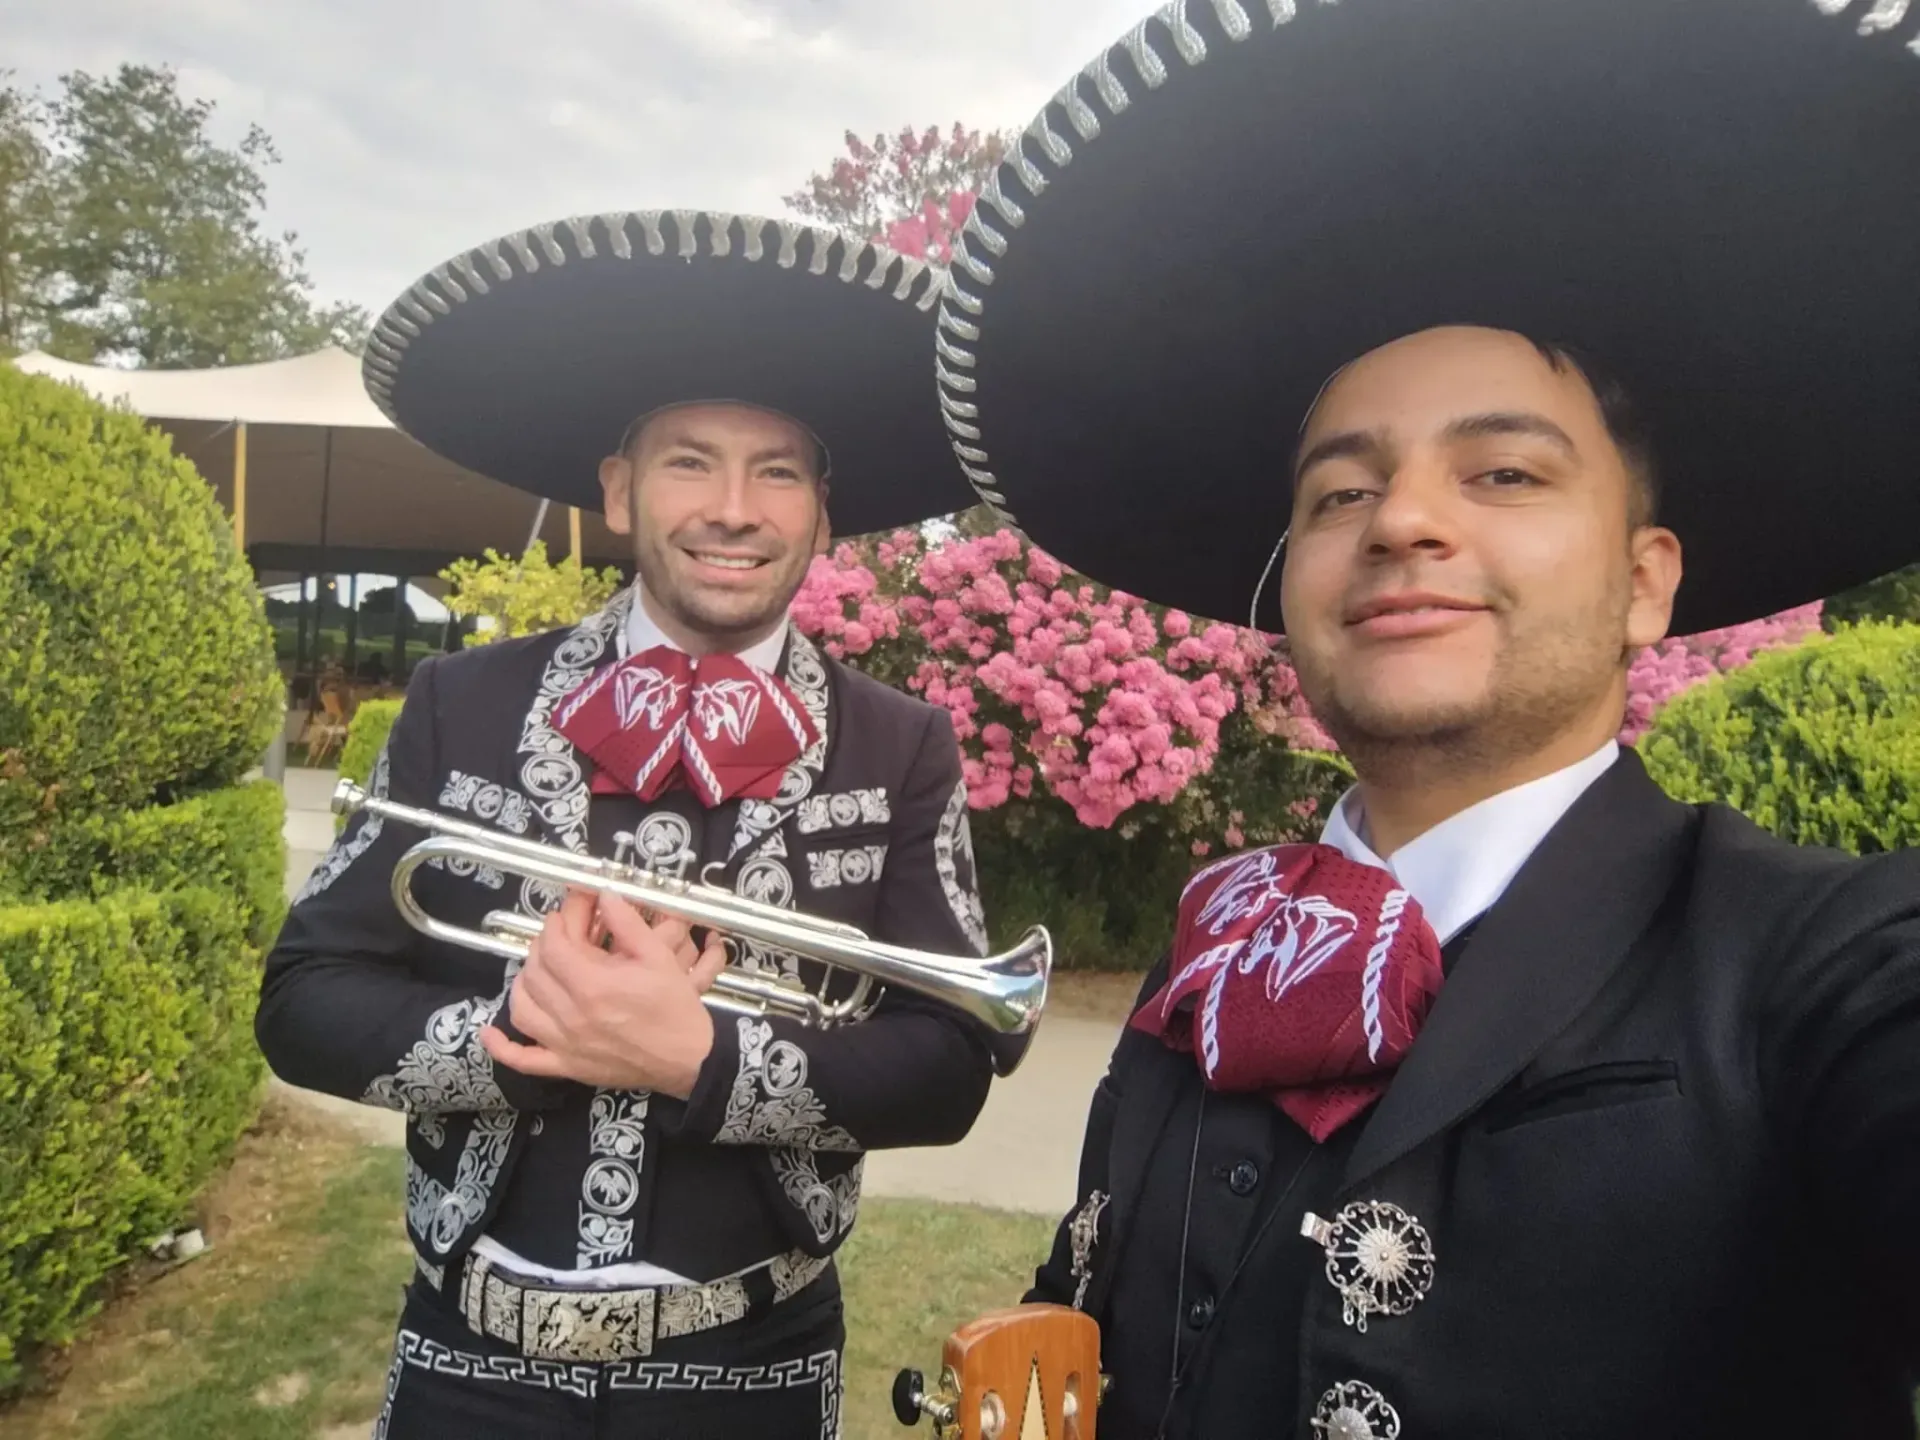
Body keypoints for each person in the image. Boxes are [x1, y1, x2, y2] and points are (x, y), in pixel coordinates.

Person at [918, 2, 1920, 1436]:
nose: (1403, 521)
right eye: (1341, 492)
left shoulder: (1821, 965)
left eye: (1504, 475)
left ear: (1647, 585)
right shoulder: (1204, 960)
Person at [256, 207, 1011, 1439]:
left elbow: (946, 1067)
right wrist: (522, 1032)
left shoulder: (901, 745)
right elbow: (301, 998)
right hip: (471, 1358)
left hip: (753, 1364)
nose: (733, 507)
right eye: (688, 461)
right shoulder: (462, 700)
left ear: (823, 511)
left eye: (777, 470)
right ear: (618, 492)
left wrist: (697, 1063)